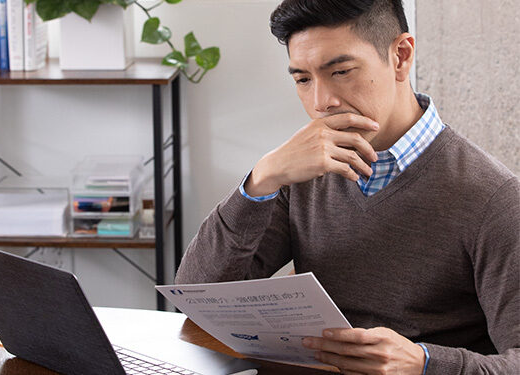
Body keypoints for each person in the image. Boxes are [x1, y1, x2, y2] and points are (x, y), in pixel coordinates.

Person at [175, 0, 520, 374]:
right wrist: (262, 178)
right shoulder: (303, 170)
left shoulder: (494, 201)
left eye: (340, 71)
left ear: (401, 57)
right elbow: (198, 296)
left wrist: (424, 364)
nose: (322, 102)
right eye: (303, 79)